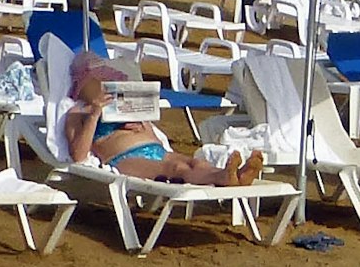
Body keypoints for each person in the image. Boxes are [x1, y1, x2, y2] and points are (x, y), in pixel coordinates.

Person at [59, 48, 266, 185]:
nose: (101, 84)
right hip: (124, 159)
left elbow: (154, 137)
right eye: (96, 80)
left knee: (195, 163)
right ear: (81, 88)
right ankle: (224, 177)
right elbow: (78, 155)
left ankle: (233, 176)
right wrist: (95, 114)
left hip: (157, 149)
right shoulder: (77, 113)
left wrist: (141, 123)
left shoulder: (120, 104)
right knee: (175, 169)